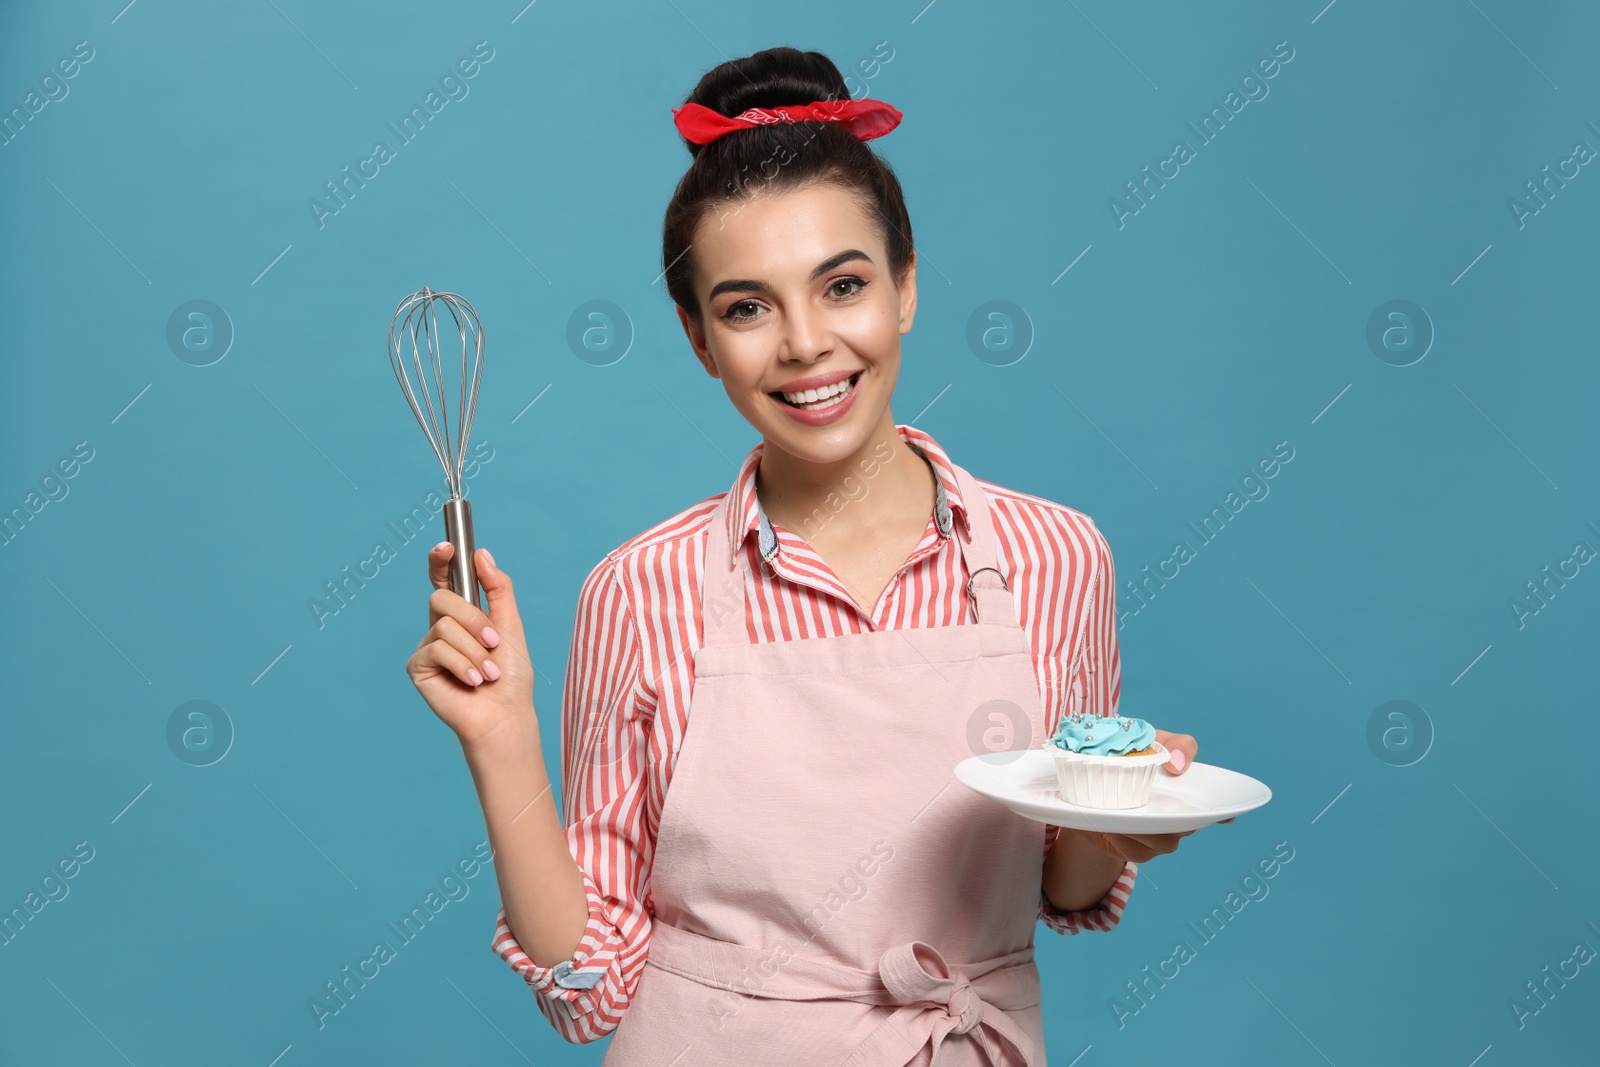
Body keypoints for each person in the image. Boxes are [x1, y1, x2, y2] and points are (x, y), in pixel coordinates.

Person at [406, 45, 1213, 1067]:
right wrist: (503, 740)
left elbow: (1062, 885)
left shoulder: (1057, 556)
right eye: (746, 306)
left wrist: (1122, 809)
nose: (804, 344)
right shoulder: (639, 588)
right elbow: (591, 992)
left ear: (906, 287)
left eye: (842, 285)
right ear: (700, 338)